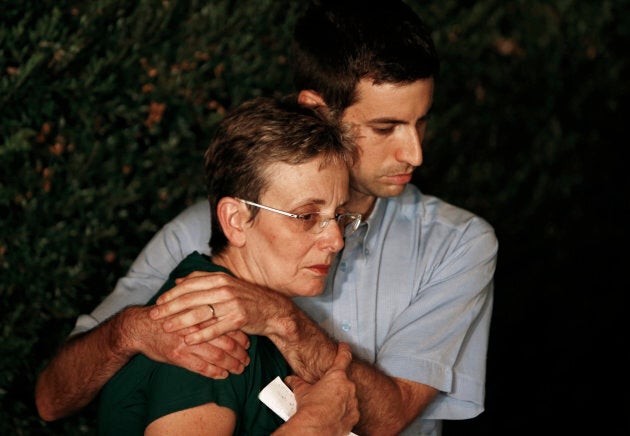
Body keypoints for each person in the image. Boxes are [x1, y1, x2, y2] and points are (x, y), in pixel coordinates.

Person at [36, 1, 498, 435]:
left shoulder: (457, 243)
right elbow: (51, 400)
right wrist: (131, 330)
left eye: (421, 122)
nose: (414, 152)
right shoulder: (202, 236)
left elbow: (391, 417)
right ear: (318, 110)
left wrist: (279, 317)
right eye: (384, 127)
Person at [97, 95, 361, 434]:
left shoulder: (251, 317)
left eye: (338, 215)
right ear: (236, 220)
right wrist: (315, 426)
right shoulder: (207, 335)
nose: (336, 240)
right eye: (307, 216)